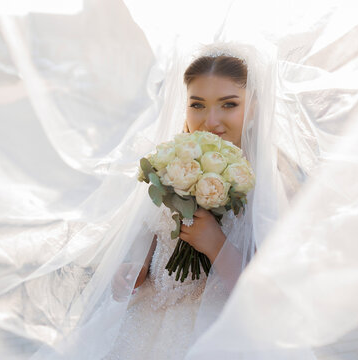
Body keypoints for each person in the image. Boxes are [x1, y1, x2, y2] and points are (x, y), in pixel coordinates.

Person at [105, 50, 258, 360]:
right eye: (197, 104)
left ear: (253, 107)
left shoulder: (266, 185)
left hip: (214, 334)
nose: (210, 120)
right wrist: (136, 268)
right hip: (148, 322)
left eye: (229, 104)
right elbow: (153, 229)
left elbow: (265, 296)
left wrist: (215, 244)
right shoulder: (174, 164)